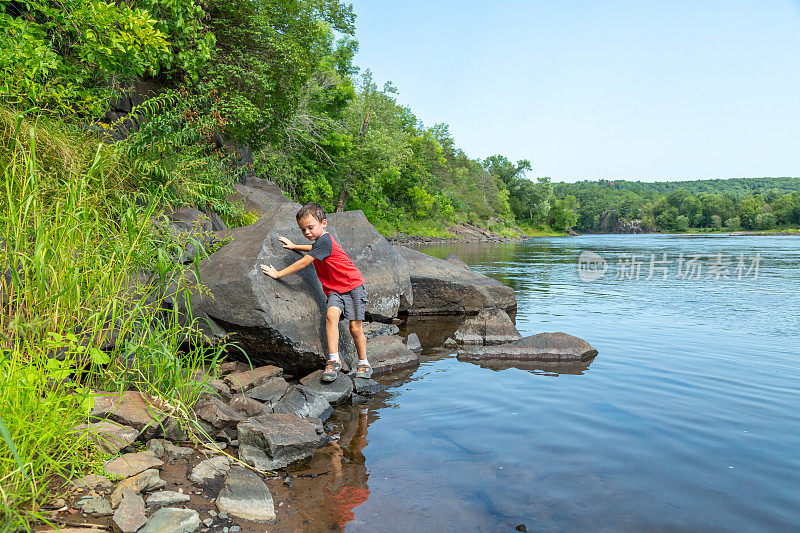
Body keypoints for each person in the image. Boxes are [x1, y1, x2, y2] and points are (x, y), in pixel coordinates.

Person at [260, 202, 372, 381]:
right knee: (331, 316)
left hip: (352, 287)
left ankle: (364, 363)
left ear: (324, 224)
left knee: (355, 327)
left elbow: (305, 261)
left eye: (310, 227)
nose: (307, 233)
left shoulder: (326, 240)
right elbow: (313, 248)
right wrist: (294, 246)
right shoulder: (321, 242)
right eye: (303, 230)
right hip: (335, 290)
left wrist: (278, 274)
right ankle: (334, 360)